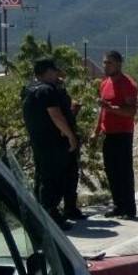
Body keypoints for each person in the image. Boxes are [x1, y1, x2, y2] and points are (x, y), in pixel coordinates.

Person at [22, 59, 79, 230]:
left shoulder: (29, 89)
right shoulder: (47, 90)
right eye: (54, 71)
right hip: (53, 143)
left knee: (42, 177)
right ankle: (51, 215)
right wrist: (70, 135)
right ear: (47, 72)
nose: (56, 75)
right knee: (54, 179)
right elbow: (55, 115)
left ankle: (43, 213)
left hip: (39, 141)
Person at [97, 50, 138, 218]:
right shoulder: (104, 83)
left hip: (123, 133)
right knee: (111, 171)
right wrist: (96, 131)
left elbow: (131, 111)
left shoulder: (127, 83)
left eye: (109, 63)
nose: (106, 66)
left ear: (119, 64)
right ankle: (118, 205)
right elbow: (102, 110)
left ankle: (129, 208)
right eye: (105, 63)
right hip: (108, 133)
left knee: (124, 171)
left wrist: (111, 108)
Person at [55, 72, 87, 221]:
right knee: (63, 176)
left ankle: (70, 208)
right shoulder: (53, 96)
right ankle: (60, 210)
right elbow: (60, 118)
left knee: (71, 175)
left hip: (67, 139)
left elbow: (68, 115)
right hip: (62, 141)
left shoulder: (61, 95)